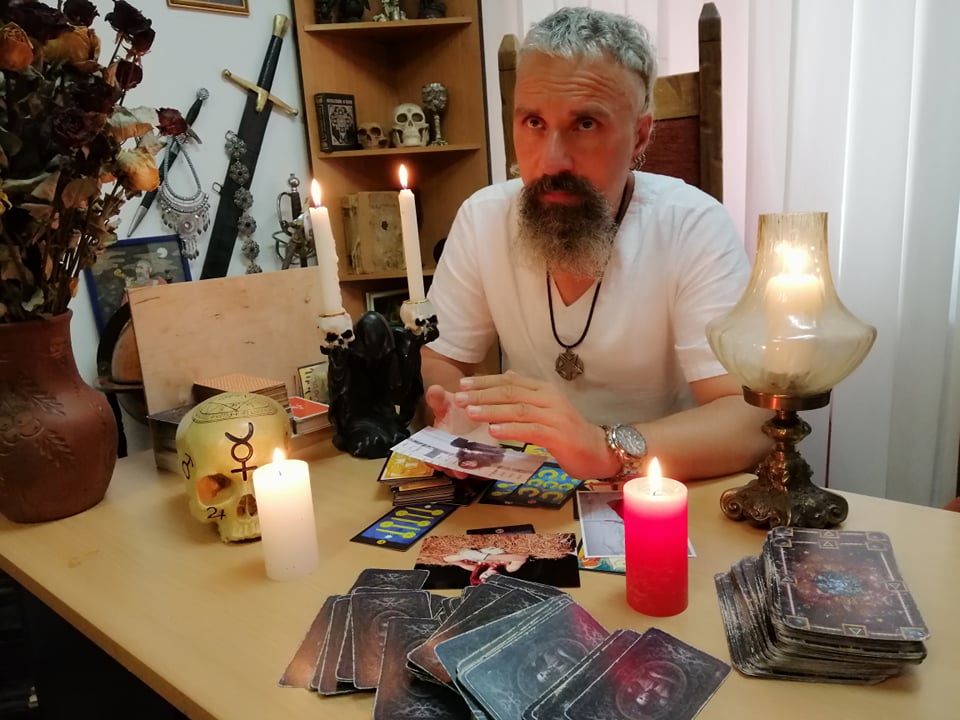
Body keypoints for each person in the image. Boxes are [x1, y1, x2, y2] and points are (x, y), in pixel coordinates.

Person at [422, 7, 771, 482]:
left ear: (639, 136)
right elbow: (442, 357)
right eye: (533, 122)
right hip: (530, 490)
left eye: (585, 124)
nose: (552, 161)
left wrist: (603, 448)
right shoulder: (483, 218)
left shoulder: (693, 224)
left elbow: (750, 419)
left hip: (665, 489)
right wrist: (457, 415)